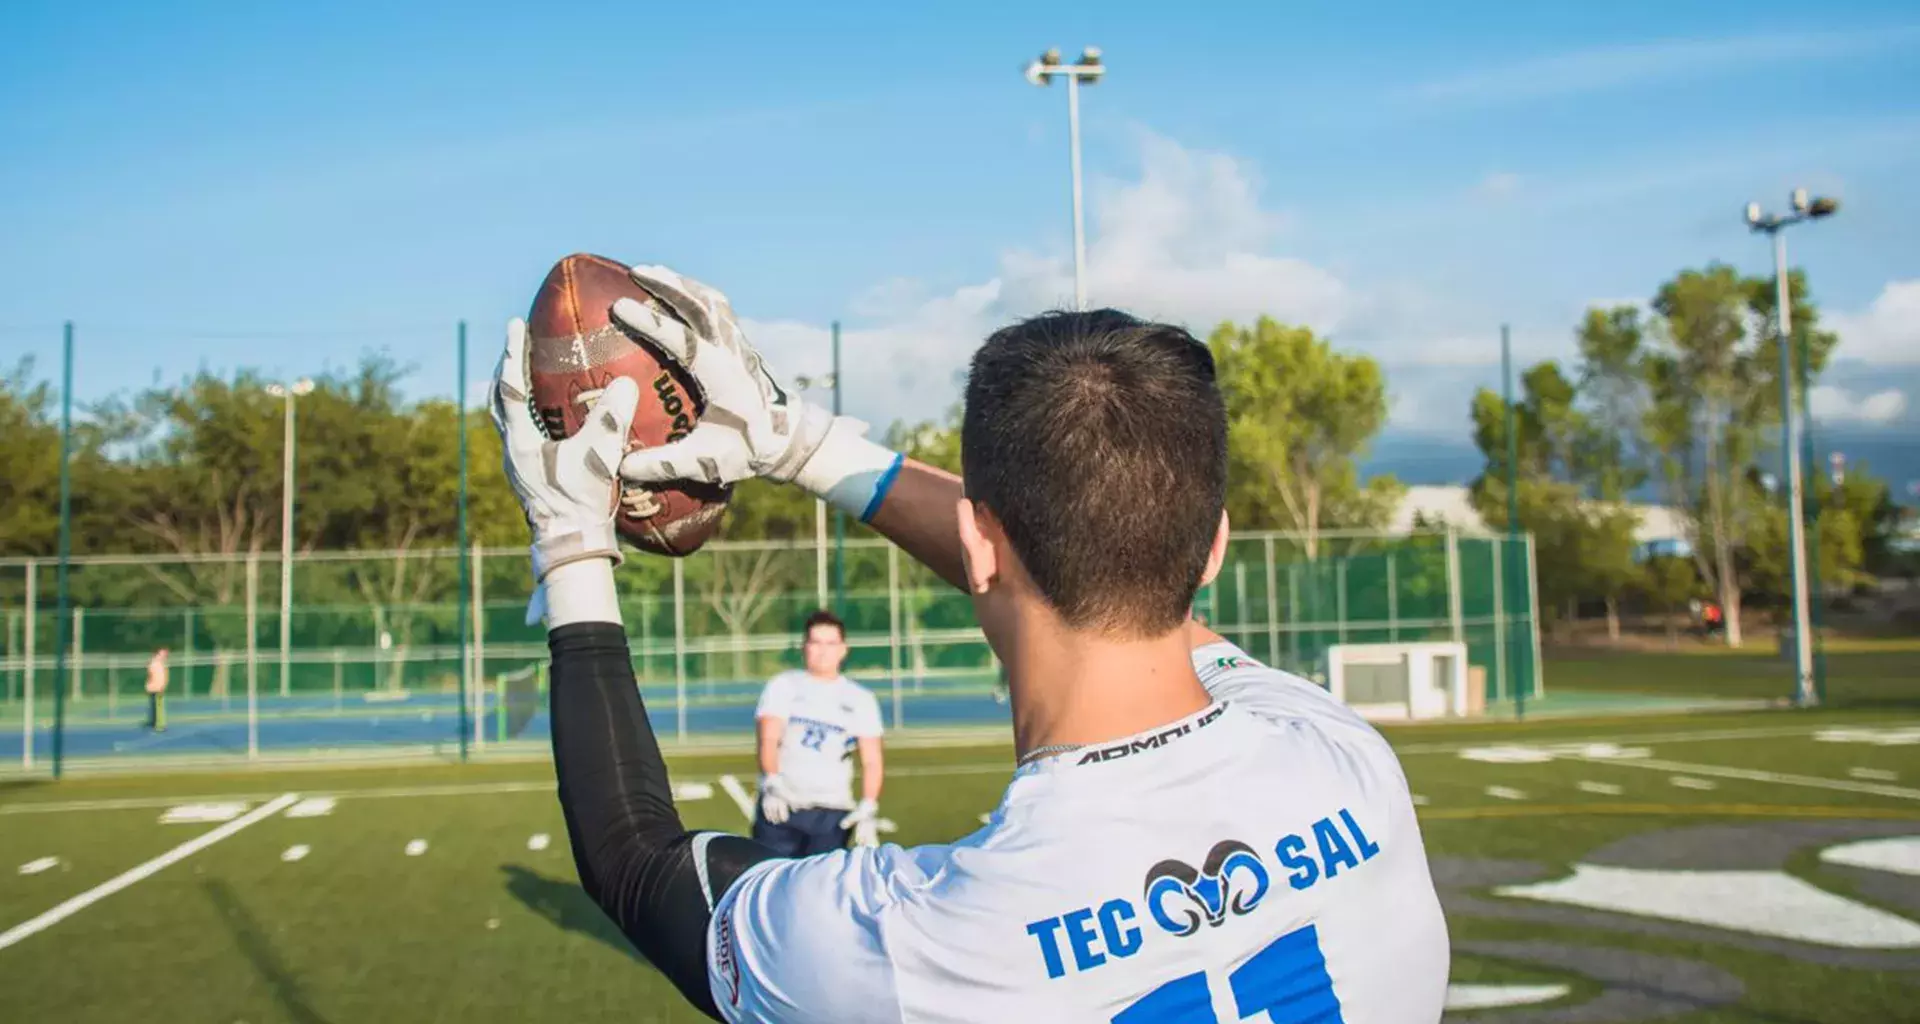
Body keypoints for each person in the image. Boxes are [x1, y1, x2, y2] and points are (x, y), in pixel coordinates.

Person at [490, 263, 1448, 1023]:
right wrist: (791, 439)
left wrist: (574, 541)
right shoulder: (1346, 761)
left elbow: (634, 860)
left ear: (977, 542)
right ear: (1216, 548)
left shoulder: (927, 943)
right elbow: (1117, 561)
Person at [753, 610, 886, 854]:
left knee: (820, 888)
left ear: (843, 649)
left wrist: (868, 804)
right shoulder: (783, 685)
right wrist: (771, 782)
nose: (823, 651)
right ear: (804, 647)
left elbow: (872, 760)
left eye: (831, 643)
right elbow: (768, 739)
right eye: (816, 642)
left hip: (832, 811)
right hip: (783, 803)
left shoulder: (860, 698)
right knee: (772, 882)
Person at [145, 647, 169, 733]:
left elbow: (164, 677)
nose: (164, 656)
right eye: (162, 654)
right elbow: (151, 675)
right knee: (156, 707)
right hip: (154, 688)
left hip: (158, 688)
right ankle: (157, 723)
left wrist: (163, 685)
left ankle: (159, 724)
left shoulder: (161, 664)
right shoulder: (155, 663)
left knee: (158, 707)